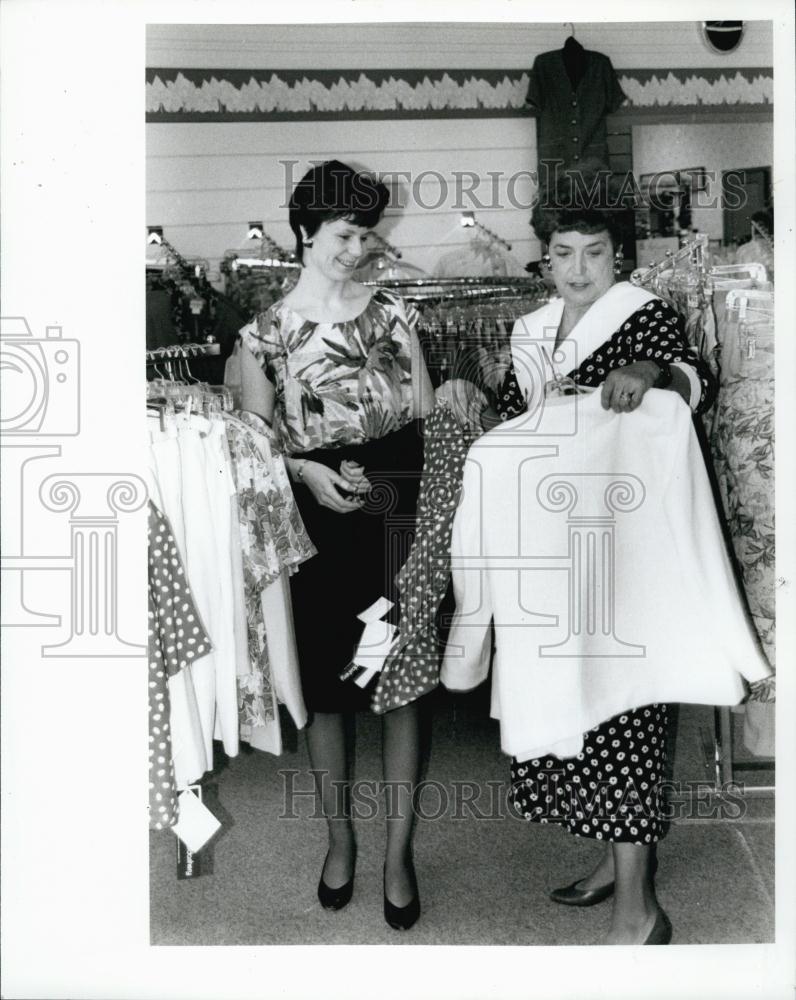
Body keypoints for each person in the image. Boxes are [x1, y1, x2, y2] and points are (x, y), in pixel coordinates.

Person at [458, 178, 722, 946]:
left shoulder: (645, 316)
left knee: (626, 705)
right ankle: (617, 865)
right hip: (552, 548)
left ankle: (640, 908)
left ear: (620, 256)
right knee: (573, 701)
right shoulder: (533, 328)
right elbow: (517, 416)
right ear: (545, 260)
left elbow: (691, 375)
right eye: (564, 254)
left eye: (595, 253)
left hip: (626, 548)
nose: (579, 269)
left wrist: (649, 375)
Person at [235, 160, 435, 931]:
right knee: (327, 689)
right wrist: (307, 475)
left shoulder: (393, 314)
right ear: (305, 233)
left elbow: (422, 414)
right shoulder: (263, 336)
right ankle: (340, 840)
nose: (358, 249)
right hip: (314, 512)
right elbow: (256, 447)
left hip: (397, 506)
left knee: (399, 681)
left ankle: (398, 853)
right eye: (344, 234)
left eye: (366, 234)